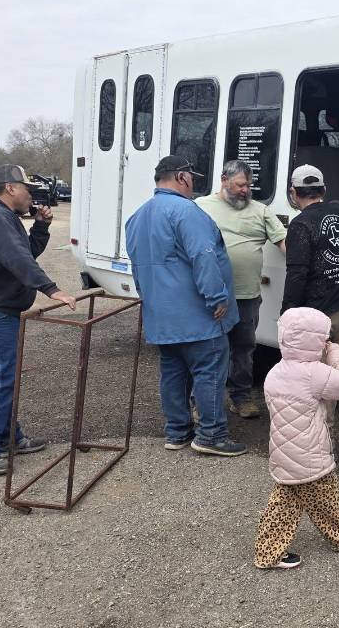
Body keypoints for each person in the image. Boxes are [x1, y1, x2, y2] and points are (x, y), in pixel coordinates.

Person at [124, 155, 247, 457]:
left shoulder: (137, 216)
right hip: (198, 316)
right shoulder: (186, 212)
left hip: (161, 316)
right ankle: (211, 435)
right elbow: (204, 255)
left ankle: (177, 431)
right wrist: (217, 297)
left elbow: (138, 267)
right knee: (209, 371)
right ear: (181, 177)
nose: (194, 183)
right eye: (192, 177)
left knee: (173, 372)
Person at [0, 164, 77, 476]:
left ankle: (9, 437)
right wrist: (51, 289)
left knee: (6, 379)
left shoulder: (0, 216)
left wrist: (39, 227)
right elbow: (16, 257)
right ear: (10, 188)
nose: (31, 194)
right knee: (2, 380)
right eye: (27, 187)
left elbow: (23, 253)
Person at [254, 307, 339, 570]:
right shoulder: (312, 373)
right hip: (310, 453)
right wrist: (335, 352)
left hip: (284, 453)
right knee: (325, 496)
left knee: (285, 504)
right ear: (315, 342)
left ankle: (268, 552)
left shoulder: (275, 372)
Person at [195, 160, 287, 419]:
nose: (246, 190)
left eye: (249, 185)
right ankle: (200, 403)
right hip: (211, 297)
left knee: (244, 349)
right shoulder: (201, 207)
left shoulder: (261, 210)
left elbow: (284, 244)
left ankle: (241, 397)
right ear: (224, 179)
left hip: (247, 297)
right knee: (209, 351)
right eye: (240, 185)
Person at [282, 164, 339, 426]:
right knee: (333, 372)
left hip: (313, 316)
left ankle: (310, 433)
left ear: (293, 193)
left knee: (308, 376)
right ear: (323, 189)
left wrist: (287, 312)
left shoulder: (300, 225)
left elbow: (297, 274)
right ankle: (327, 430)